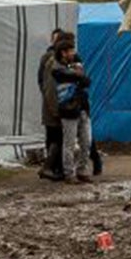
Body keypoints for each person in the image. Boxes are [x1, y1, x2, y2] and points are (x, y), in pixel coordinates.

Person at [53, 40, 94, 184]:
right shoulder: (57, 69)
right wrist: (78, 73)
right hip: (68, 110)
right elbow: (79, 77)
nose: (73, 53)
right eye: (70, 51)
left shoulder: (73, 67)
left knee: (86, 141)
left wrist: (78, 73)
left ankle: (82, 170)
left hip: (82, 108)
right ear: (63, 53)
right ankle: (69, 173)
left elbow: (86, 81)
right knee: (69, 143)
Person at [38, 29, 68, 180]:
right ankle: (50, 167)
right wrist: (55, 107)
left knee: (56, 138)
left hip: (56, 104)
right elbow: (46, 85)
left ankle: (54, 168)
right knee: (55, 138)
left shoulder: (59, 60)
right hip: (54, 106)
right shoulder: (51, 60)